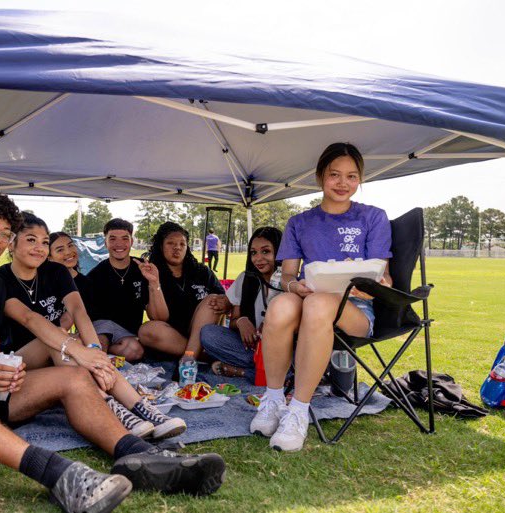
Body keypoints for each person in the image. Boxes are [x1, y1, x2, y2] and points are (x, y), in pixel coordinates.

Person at [0, 189, 225, 513]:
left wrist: (23, 363)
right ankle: (59, 475)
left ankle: (143, 456)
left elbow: (24, 325)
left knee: (74, 377)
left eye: (4, 232)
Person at [251, 142, 393, 452]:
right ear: (320, 177)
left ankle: (298, 411)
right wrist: (294, 287)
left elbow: (384, 275)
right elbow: (288, 276)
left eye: (352, 176)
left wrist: (372, 283)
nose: (343, 183)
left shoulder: (373, 217)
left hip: (356, 310)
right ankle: (274, 399)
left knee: (316, 304)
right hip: (309, 298)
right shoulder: (299, 223)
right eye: (335, 175)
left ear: (360, 179)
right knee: (280, 305)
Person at [0, 214, 187, 440]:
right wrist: (82, 353)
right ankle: (106, 404)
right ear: (11, 243)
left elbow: (78, 310)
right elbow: (30, 319)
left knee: (77, 344)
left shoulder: (55, 272)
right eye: (31, 240)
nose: (40, 248)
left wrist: (95, 351)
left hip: (60, 352)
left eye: (44, 242)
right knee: (60, 340)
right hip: (19, 362)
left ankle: (143, 409)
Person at [137, 222, 229, 368]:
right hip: (172, 337)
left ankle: (188, 359)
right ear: (161, 246)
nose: (177, 248)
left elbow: (225, 302)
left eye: (182, 244)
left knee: (213, 299)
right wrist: (154, 283)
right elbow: (159, 318)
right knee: (146, 331)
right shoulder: (151, 273)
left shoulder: (202, 272)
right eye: (170, 243)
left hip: (204, 333)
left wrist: (225, 303)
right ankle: (204, 356)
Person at [201, 227, 283, 381]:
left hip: (281, 350)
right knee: (208, 333)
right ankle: (267, 373)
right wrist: (241, 321)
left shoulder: (290, 282)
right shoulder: (246, 279)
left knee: (302, 358)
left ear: (279, 251)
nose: (258, 258)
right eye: (253, 253)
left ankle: (244, 372)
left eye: (265, 251)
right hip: (251, 349)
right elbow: (232, 322)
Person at [85, 218, 168, 362]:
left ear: (132, 241)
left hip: (126, 333)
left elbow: (160, 318)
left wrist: (154, 283)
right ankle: (102, 357)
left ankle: (109, 354)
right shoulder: (95, 275)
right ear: (105, 243)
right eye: (112, 239)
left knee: (135, 351)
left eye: (125, 238)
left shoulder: (143, 269)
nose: (119, 244)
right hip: (100, 328)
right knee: (100, 342)